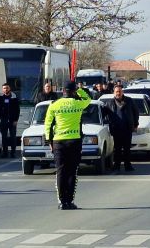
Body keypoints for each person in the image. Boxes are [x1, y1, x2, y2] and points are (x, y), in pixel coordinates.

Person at [45, 81, 90, 210]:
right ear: (73, 91)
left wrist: (49, 141)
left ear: (62, 91)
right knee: (72, 172)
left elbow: (48, 124)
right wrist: (80, 89)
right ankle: (69, 201)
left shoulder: (54, 105)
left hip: (59, 142)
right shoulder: (78, 103)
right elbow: (88, 98)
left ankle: (62, 202)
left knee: (60, 172)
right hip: (74, 140)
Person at [103, 84, 139, 171]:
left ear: (122, 92)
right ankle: (117, 165)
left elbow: (136, 112)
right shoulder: (109, 103)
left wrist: (135, 124)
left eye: (119, 91)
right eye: (116, 92)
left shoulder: (129, 101)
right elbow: (103, 114)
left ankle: (128, 165)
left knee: (127, 148)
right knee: (117, 149)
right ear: (113, 93)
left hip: (127, 129)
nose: (118, 93)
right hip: (116, 129)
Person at [0, 83, 20, 158]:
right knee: (3, 137)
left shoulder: (14, 97)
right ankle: (5, 153)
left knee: (13, 137)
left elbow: (17, 110)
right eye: (4, 88)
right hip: (3, 120)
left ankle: (13, 152)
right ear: (2, 89)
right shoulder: (0, 97)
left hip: (12, 120)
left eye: (7, 88)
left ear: (10, 88)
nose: (6, 89)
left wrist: (16, 120)